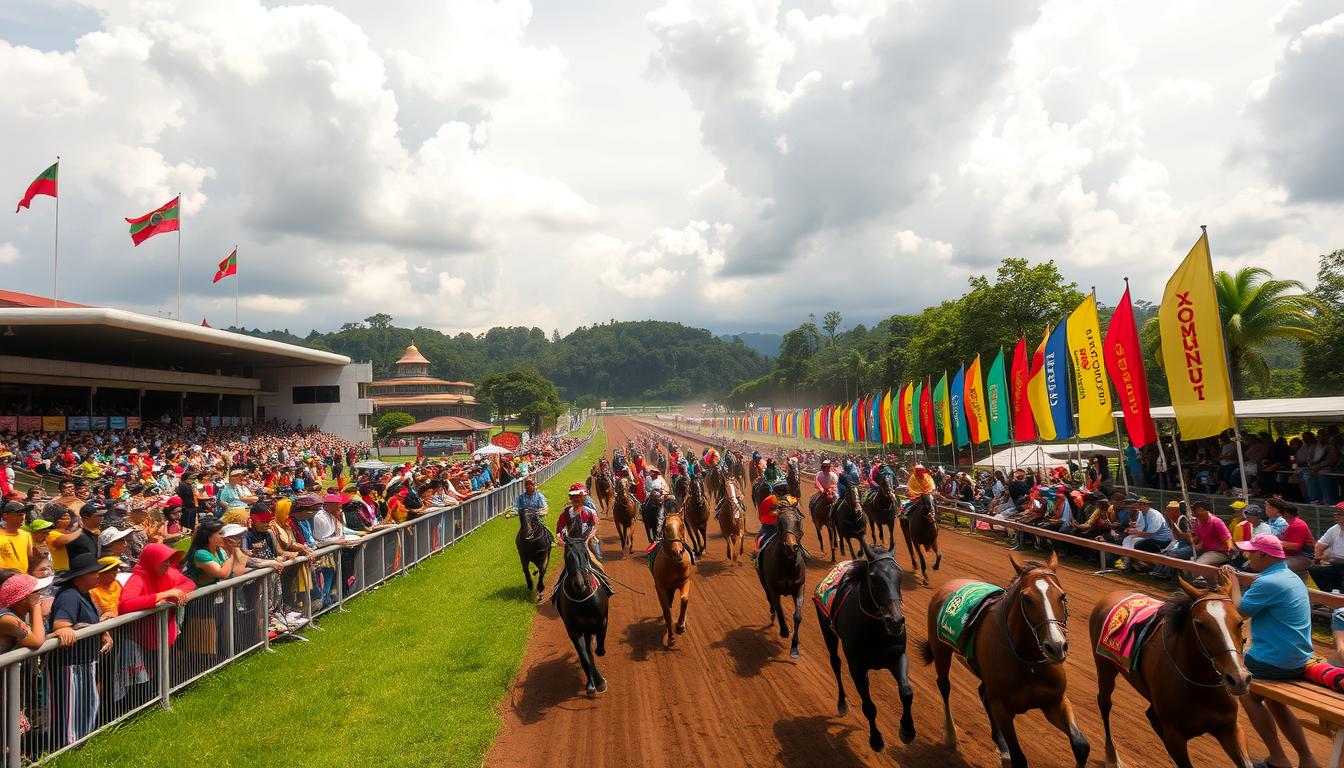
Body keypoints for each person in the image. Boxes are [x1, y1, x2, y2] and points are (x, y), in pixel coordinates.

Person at [1222, 536, 1321, 768]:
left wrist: (1232, 583)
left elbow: (1239, 612)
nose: (1247, 556)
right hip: (1298, 658)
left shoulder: (1268, 583)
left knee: (1245, 691)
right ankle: (1307, 759)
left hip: (1274, 661)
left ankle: (1278, 759)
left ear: (1264, 555)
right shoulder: (1291, 578)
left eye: (1251, 552)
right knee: (1275, 701)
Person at [46, 550, 112, 747]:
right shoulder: (69, 596)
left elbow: (91, 621)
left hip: (84, 661)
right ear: (81, 576)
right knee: (70, 710)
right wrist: (75, 629)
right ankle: (67, 749)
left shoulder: (85, 594)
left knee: (86, 705)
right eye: (94, 572)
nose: (98, 575)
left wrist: (103, 632)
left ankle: (81, 745)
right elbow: (61, 626)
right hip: (69, 665)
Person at [556, 483, 602, 565]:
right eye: (573, 497)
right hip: (572, 543)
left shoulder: (590, 512)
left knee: (598, 557)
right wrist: (559, 539)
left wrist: (591, 535)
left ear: (583, 498)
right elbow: (559, 529)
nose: (575, 499)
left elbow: (596, 525)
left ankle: (602, 576)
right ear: (570, 497)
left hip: (588, 540)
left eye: (578, 497)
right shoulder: (565, 513)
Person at [1272, 499, 1315, 578]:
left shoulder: (1298, 524)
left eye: (1280, 513)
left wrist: (1275, 543)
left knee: (1275, 568)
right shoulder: (1291, 524)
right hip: (1292, 555)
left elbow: (1295, 546)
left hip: (1303, 557)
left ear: (1285, 514)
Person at [756, 480, 795, 554]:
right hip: (771, 527)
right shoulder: (768, 501)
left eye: (783, 490)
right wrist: (773, 513)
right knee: (760, 541)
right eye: (780, 491)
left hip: (786, 527)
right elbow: (762, 517)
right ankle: (756, 556)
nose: (782, 492)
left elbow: (796, 506)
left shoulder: (790, 499)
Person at [1311, 504, 1344, 593]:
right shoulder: (1334, 529)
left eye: (1340, 513)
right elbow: (1319, 546)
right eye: (1336, 513)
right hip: (1335, 563)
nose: (1336, 516)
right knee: (1315, 569)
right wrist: (1318, 560)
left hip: (1339, 562)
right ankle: (1330, 595)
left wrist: (1328, 557)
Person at [0, 501, 36, 574]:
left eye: (24, 515)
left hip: (24, 579)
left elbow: (30, 557)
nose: (23, 518)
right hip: (5, 581)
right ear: (5, 516)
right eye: (19, 515)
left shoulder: (26, 534)